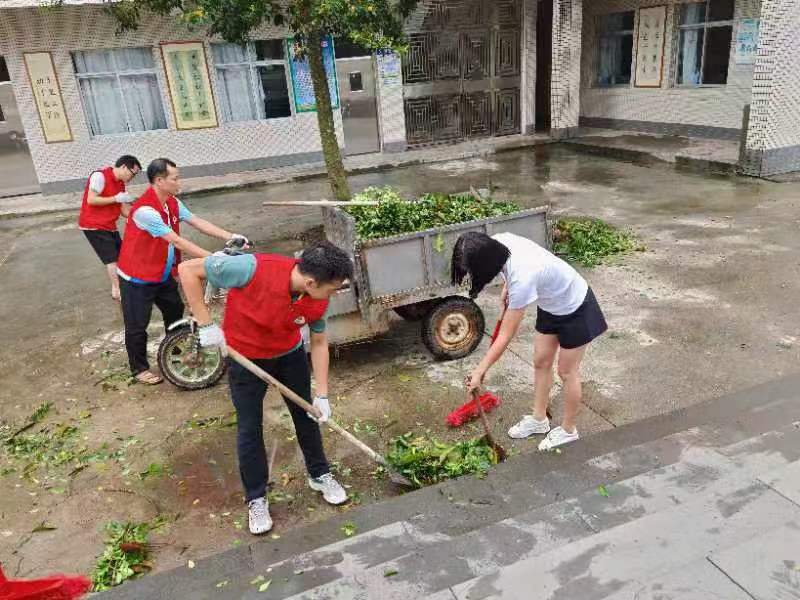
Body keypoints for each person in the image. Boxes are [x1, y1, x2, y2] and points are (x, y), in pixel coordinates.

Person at [178, 241, 354, 534]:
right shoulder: (250, 268)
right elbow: (187, 270)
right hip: (245, 360)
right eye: (333, 288)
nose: (334, 294)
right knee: (249, 428)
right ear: (311, 281)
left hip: (289, 356)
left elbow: (320, 343)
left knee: (306, 415)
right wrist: (206, 322)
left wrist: (322, 394)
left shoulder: (317, 298)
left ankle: (319, 474)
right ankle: (256, 497)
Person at [452, 231, 607, 451]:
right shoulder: (499, 242)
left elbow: (505, 335)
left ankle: (568, 430)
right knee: (541, 361)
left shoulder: (523, 280)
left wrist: (479, 370)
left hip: (576, 306)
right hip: (551, 303)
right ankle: (539, 419)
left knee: (567, 372)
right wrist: (508, 287)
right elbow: (512, 265)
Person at [116, 158, 249, 385]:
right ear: (159, 181)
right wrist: (212, 258)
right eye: (175, 178)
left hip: (162, 272)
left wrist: (230, 236)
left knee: (174, 310)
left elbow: (196, 221)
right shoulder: (145, 211)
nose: (180, 182)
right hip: (136, 277)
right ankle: (139, 368)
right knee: (137, 324)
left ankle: (172, 351)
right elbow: (176, 241)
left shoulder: (172, 202)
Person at [77, 155, 142, 301]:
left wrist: (141, 213)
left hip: (109, 225)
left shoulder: (120, 184)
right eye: (133, 173)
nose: (133, 177)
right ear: (124, 167)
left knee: (121, 255)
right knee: (112, 259)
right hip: (93, 225)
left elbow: (124, 210)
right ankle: (117, 291)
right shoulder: (100, 176)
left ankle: (122, 286)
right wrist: (116, 198)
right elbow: (91, 199)